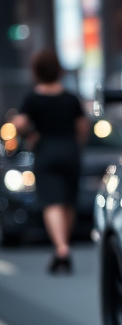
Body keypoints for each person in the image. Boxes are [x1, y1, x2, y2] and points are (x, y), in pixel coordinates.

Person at [13, 49, 87, 273]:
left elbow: (18, 124)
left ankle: (61, 247)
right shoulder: (71, 98)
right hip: (70, 151)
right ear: (59, 70)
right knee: (67, 201)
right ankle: (62, 246)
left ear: (36, 71)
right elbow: (83, 127)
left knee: (51, 202)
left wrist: (31, 136)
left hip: (46, 152)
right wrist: (76, 146)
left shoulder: (32, 98)